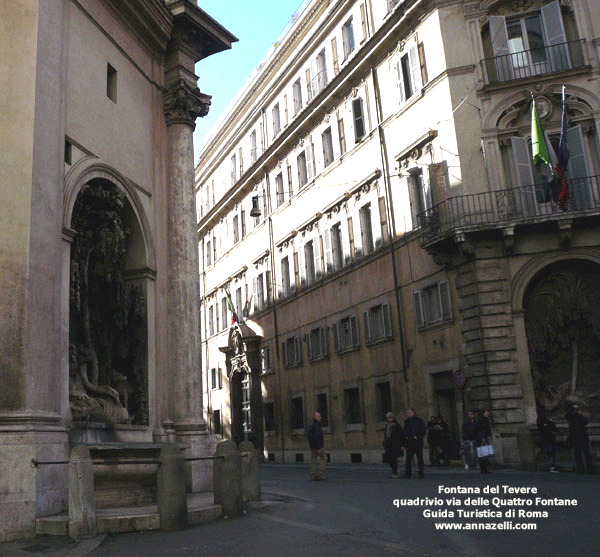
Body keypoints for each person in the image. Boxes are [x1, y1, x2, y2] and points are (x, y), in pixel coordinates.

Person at [565, 404, 593, 474]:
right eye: (575, 410)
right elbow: (567, 416)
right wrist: (572, 409)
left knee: (587, 454)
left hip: (583, 438)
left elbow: (585, 422)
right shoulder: (571, 418)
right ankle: (580, 469)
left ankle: (589, 469)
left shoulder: (581, 418)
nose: (576, 411)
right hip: (575, 438)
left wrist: (580, 413)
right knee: (578, 454)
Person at [403, 407, 426, 478]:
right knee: (408, 459)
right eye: (408, 413)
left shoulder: (419, 421)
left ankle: (421, 472)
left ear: (413, 412)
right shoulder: (406, 421)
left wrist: (418, 437)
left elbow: (423, 431)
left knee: (419, 458)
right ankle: (408, 473)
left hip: (417, 443)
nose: (409, 414)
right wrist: (406, 439)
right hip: (409, 443)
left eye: (410, 412)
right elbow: (405, 432)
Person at [537, 408, 559, 473]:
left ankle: (552, 466)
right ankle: (551, 466)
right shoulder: (541, 420)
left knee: (551, 453)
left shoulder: (549, 421)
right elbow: (542, 429)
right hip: (546, 439)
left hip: (550, 439)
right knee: (549, 453)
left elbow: (554, 428)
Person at [383, 412, 404, 478]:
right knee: (388, 458)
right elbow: (385, 435)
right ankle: (395, 469)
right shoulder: (387, 425)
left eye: (391, 418)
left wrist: (402, 445)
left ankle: (394, 473)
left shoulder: (397, 425)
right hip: (388, 444)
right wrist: (384, 442)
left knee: (393, 458)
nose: (390, 419)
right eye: (389, 418)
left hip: (395, 444)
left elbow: (401, 435)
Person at [307, 412, 326, 480]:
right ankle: (319, 473)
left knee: (313, 460)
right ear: (315, 417)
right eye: (318, 417)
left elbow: (309, 437)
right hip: (318, 446)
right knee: (324, 458)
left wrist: (312, 447)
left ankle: (312, 474)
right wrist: (319, 447)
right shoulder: (317, 425)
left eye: (320, 416)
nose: (320, 418)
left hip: (313, 447)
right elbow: (317, 437)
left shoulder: (311, 425)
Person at [477, 409, 492, 474]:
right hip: (482, 438)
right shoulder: (480, 420)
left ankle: (485, 468)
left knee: (485, 454)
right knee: (482, 454)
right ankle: (483, 469)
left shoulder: (486, 419)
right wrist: (482, 438)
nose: (487, 413)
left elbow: (488, 429)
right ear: (483, 413)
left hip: (485, 437)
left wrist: (489, 435)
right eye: (486, 412)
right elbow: (480, 429)